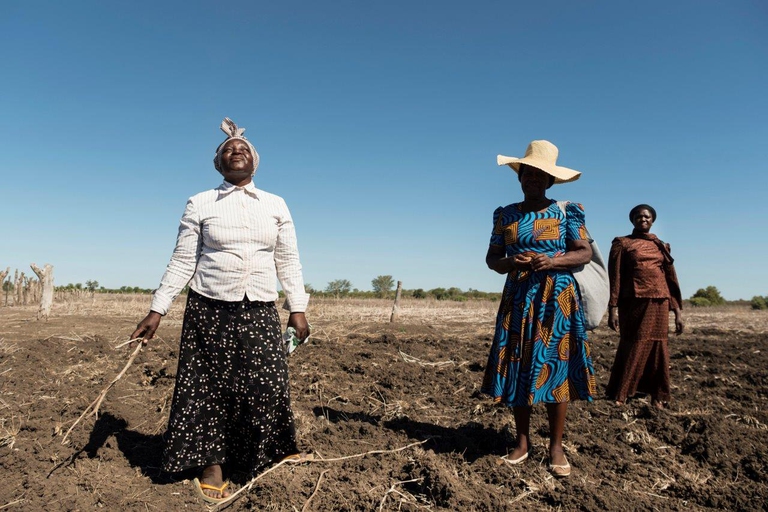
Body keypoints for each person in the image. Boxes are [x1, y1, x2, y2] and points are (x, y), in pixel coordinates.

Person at [131, 118, 310, 503]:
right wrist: (157, 309)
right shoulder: (201, 202)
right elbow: (182, 260)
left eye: (243, 149)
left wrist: (298, 307)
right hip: (209, 308)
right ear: (218, 164)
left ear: (255, 162)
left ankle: (272, 451)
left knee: (268, 384)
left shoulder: (276, 204)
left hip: (260, 306)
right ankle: (211, 464)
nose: (236, 151)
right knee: (207, 388)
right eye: (228, 150)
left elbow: (289, 260)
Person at [483, 140, 596, 478]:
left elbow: (584, 253)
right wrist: (509, 261)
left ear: (550, 181)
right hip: (518, 297)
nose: (533, 179)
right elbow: (491, 260)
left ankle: (556, 446)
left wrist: (555, 260)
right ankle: (521, 442)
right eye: (527, 174)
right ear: (520, 178)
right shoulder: (505, 215)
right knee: (518, 366)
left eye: (540, 175)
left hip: (556, 299)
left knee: (556, 367)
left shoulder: (567, 211)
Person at [606, 204, 683, 409]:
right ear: (632, 220)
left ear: (653, 220)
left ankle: (658, 395)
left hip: (660, 301)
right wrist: (612, 308)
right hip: (633, 302)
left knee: (659, 346)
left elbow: (671, 279)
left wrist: (677, 312)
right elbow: (615, 278)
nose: (643, 219)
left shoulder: (661, 245)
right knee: (635, 342)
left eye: (647, 217)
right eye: (639, 216)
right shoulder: (622, 243)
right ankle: (621, 393)